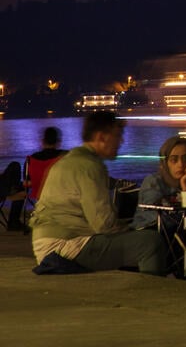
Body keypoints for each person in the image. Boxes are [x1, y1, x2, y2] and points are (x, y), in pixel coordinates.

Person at [28, 112, 167, 275]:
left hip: (46, 241)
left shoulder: (70, 160)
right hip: (65, 246)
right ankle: (151, 294)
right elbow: (103, 224)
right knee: (150, 242)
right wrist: (130, 228)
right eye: (118, 135)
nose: (121, 141)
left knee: (128, 241)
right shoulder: (90, 166)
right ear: (102, 137)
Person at [133, 135, 186, 231]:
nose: (181, 164)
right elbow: (160, 220)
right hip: (152, 234)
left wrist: (185, 187)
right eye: (174, 160)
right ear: (165, 163)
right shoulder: (153, 182)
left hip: (183, 237)